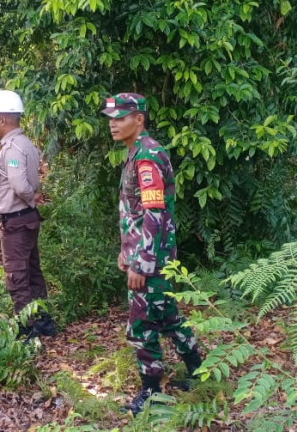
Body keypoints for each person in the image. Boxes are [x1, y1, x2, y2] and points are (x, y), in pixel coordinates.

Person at [102, 93, 202, 415]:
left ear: (139, 118)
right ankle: (200, 372)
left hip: (152, 261)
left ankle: (151, 394)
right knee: (169, 316)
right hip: (149, 255)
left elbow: (154, 213)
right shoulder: (136, 153)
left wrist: (142, 263)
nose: (113, 123)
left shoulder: (147, 156)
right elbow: (134, 212)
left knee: (143, 328)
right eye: (111, 117)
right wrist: (125, 250)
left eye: (121, 117)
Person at [0, 89, 56, 340]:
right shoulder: (24, 144)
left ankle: (26, 331)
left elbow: (19, 184)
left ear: (3, 119)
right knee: (33, 271)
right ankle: (44, 322)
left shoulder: (13, 147)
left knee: (17, 276)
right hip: (25, 219)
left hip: (15, 221)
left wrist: (30, 198)